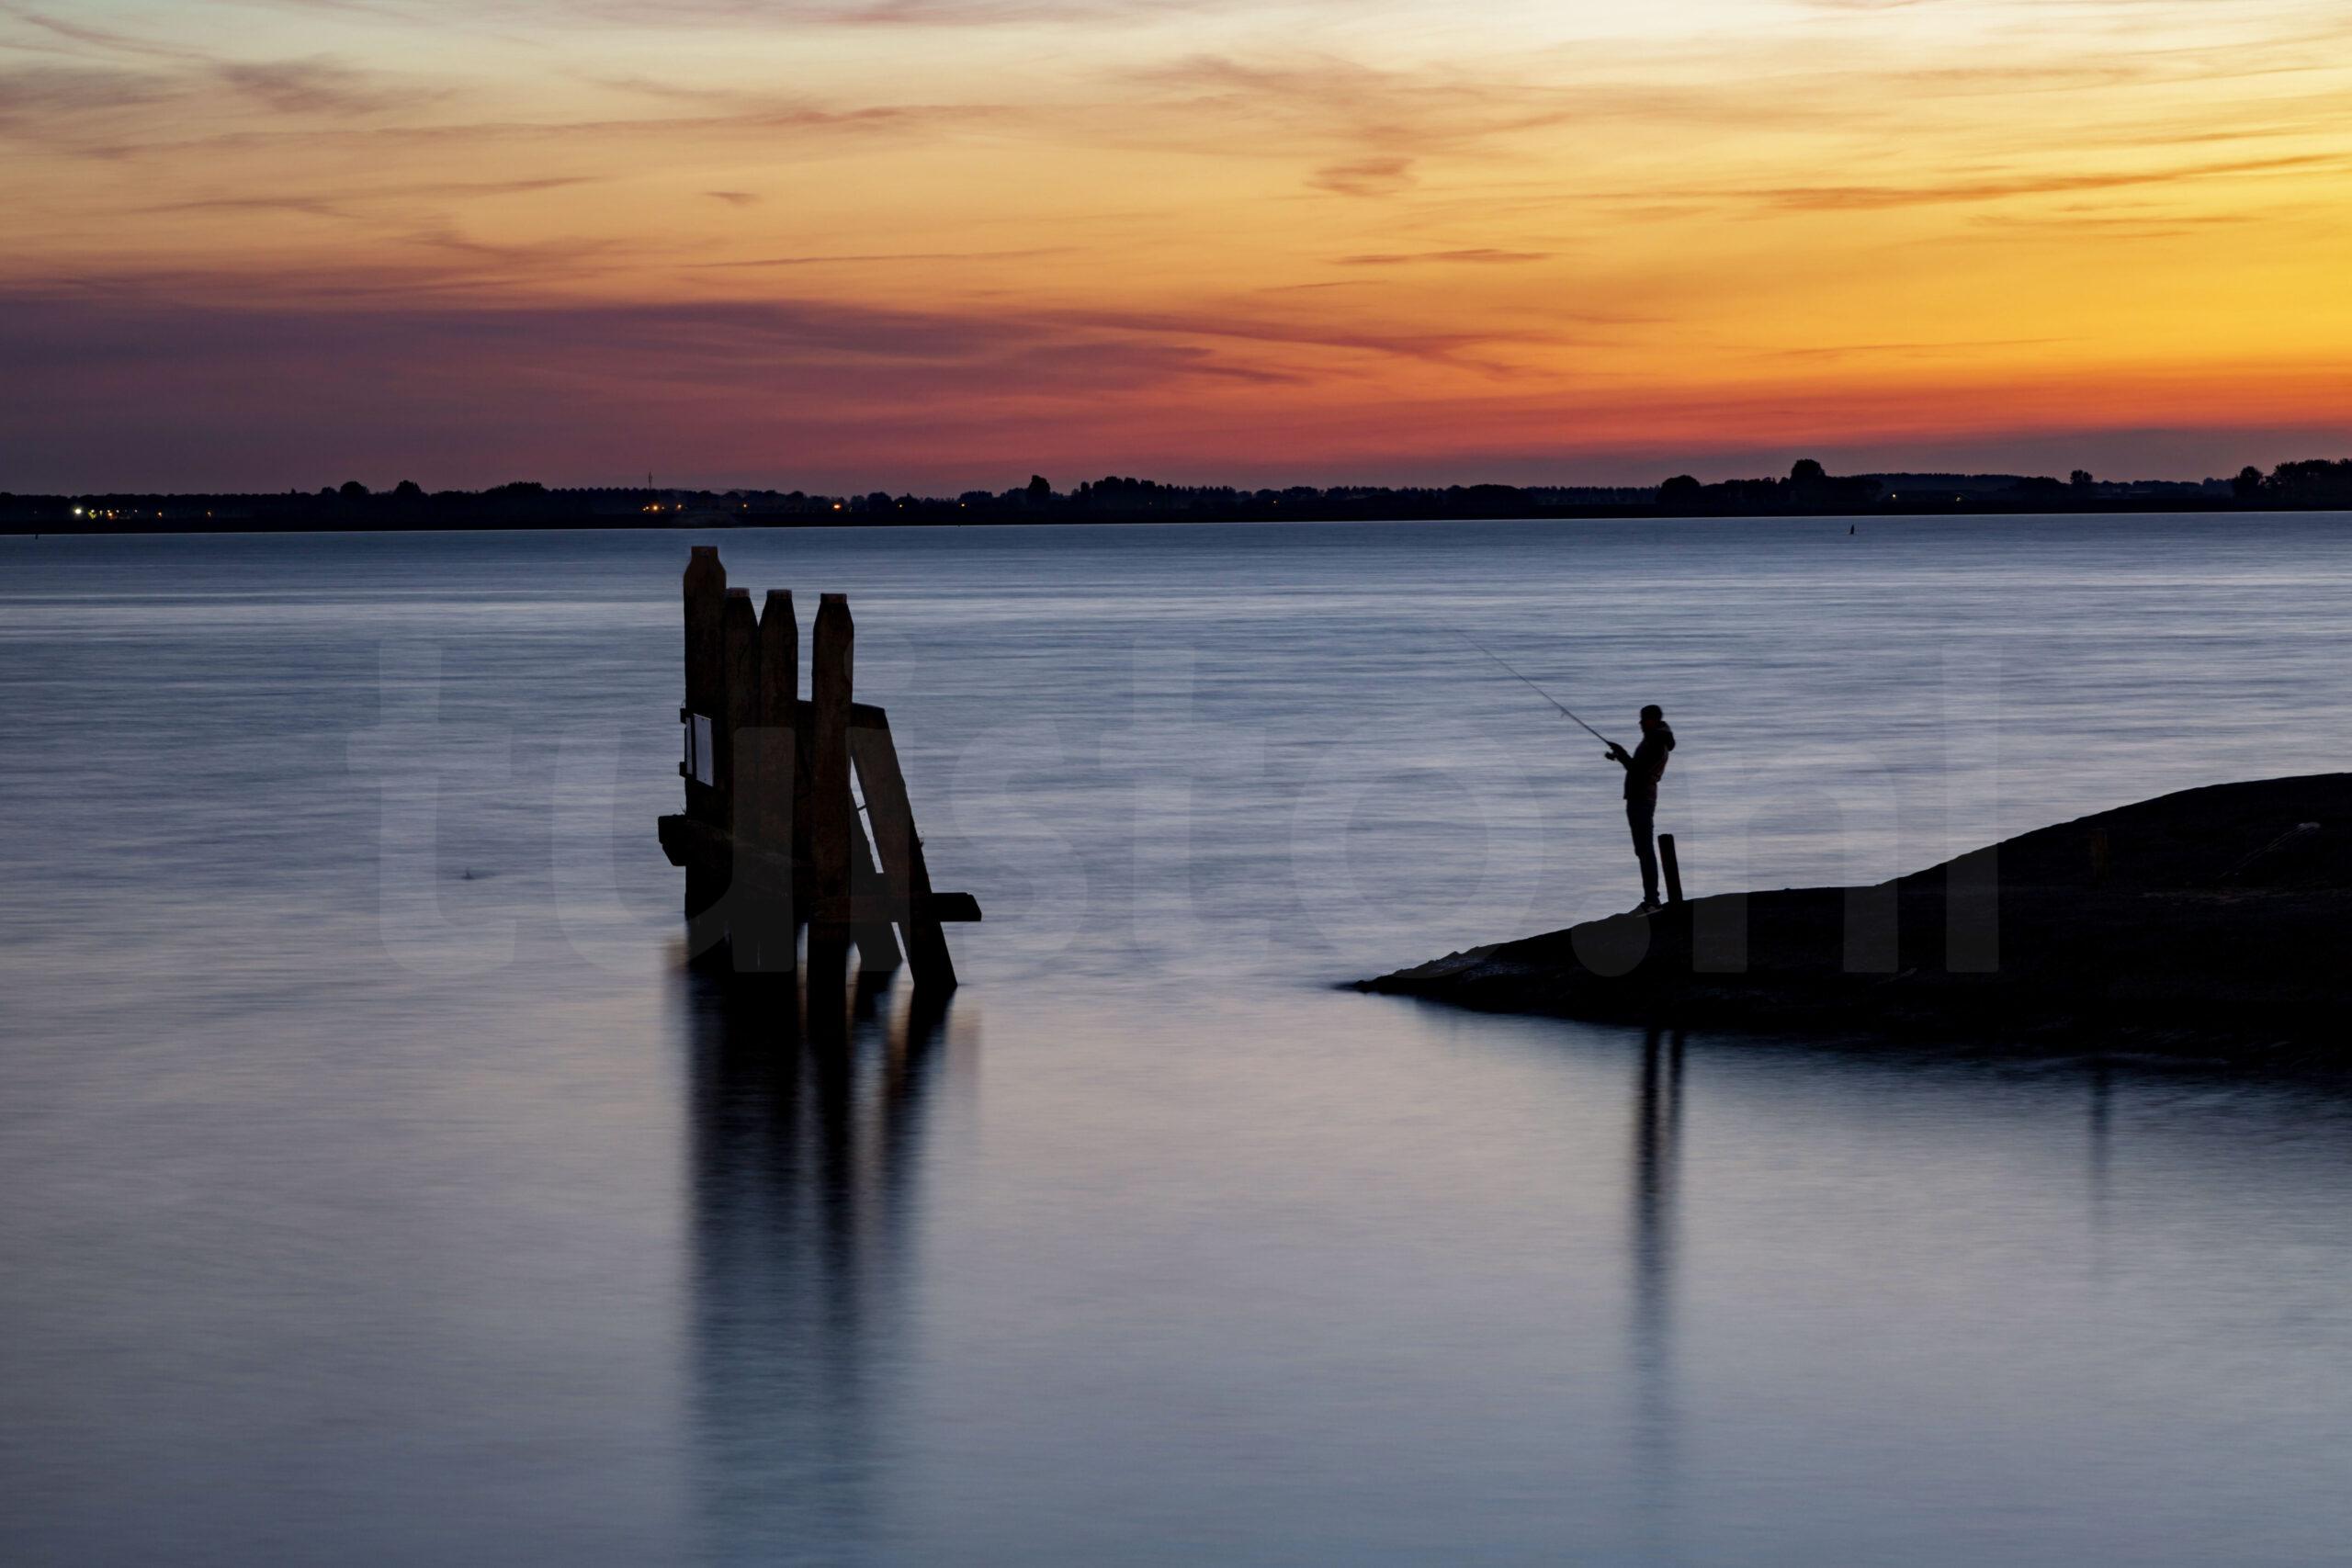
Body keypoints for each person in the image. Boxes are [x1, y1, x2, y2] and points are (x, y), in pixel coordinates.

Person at [1606, 705, 1676, 913]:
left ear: (1654, 720)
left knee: (1645, 850)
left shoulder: (1655, 742)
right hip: (1641, 798)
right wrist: (1620, 756)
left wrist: (1621, 753)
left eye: (1644, 720)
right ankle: (1651, 899)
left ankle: (1652, 901)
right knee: (1643, 850)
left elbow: (1638, 770)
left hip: (1642, 799)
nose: (1640, 724)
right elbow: (1637, 766)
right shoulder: (1655, 739)